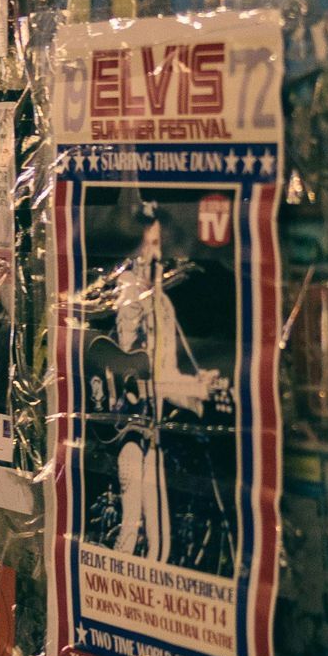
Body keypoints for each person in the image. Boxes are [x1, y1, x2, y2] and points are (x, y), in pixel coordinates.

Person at [111, 212, 217, 561]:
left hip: (154, 434)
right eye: (152, 244)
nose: (156, 254)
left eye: (161, 246)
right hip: (130, 431)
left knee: (160, 544)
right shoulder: (128, 289)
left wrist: (197, 390)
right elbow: (131, 362)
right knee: (130, 527)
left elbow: (164, 377)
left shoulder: (164, 304)